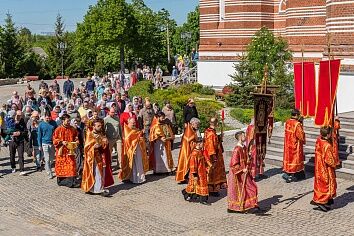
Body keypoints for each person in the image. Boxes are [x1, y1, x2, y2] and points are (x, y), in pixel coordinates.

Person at [227, 131, 259, 213]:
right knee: (249, 188)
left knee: (251, 187)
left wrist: (249, 156)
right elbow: (233, 164)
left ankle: (250, 205)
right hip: (239, 174)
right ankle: (244, 206)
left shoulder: (244, 147)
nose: (245, 136)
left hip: (245, 172)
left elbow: (246, 159)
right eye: (244, 135)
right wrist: (242, 169)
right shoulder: (237, 149)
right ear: (240, 137)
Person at [81, 119, 114, 196]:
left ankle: (99, 188)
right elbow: (86, 147)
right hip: (93, 157)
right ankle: (93, 189)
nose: (100, 127)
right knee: (95, 172)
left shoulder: (101, 134)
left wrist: (105, 142)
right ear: (94, 126)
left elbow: (104, 144)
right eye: (98, 126)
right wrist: (94, 147)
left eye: (101, 126)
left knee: (100, 173)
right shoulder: (90, 135)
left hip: (101, 156)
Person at [311, 126, 337, 212]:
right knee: (326, 184)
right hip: (326, 168)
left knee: (320, 184)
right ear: (328, 134)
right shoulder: (327, 145)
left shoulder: (319, 140)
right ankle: (322, 201)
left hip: (319, 166)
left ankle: (325, 201)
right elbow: (329, 160)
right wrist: (335, 164)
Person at [53, 114, 80, 187]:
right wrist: (61, 142)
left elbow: (76, 136)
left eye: (69, 121)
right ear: (63, 120)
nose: (69, 122)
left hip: (70, 152)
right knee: (62, 167)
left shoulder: (72, 129)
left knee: (71, 166)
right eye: (67, 121)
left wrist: (77, 141)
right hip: (61, 152)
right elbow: (54, 140)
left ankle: (71, 181)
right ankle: (61, 181)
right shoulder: (58, 129)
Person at [119, 118, 149, 184]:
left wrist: (141, 137)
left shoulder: (136, 129)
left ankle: (139, 178)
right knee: (132, 164)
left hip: (138, 149)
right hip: (130, 150)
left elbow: (139, 137)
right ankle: (132, 178)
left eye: (134, 122)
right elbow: (127, 141)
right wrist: (132, 148)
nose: (134, 124)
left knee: (138, 163)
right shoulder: (126, 131)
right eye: (132, 123)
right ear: (128, 122)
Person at [182, 138, 210, 205]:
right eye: (203, 143)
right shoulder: (194, 153)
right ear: (199, 143)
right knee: (197, 185)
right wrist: (195, 175)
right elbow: (192, 165)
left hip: (202, 172)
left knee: (198, 185)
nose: (203, 145)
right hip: (197, 173)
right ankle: (203, 200)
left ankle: (197, 197)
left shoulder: (200, 151)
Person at [204, 117, 227, 196]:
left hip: (215, 155)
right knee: (213, 173)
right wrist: (214, 158)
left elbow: (215, 141)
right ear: (216, 124)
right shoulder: (211, 134)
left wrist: (219, 137)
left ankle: (213, 188)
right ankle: (212, 190)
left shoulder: (208, 131)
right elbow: (211, 147)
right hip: (213, 156)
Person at [282, 109, 306, 183]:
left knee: (289, 159)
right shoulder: (297, 124)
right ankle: (296, 175)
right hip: (295, 145)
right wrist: (301, 124)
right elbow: (301, 136)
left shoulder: (287, 122)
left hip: (288, 144)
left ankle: (287, 173)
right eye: (298, 115)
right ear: (296, 115)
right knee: (296, 160)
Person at [175, 118, 200, 183]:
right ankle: (185, 177)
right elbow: (190, 142)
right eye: (197, 124)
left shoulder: (192, 129)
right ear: (192, 124)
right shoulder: (189, 131)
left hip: (188, 150)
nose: (198, 126)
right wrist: (197, 144)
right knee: (187, 163)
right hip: (187, 151)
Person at [38, 112, 57, 179]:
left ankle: (47, 167)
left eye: (49, 117)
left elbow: (56, 132)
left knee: (52, 159)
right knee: (47, 159)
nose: (48, 119)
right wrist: (39, 145)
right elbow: (39, 135)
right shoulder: (41, 124)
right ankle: (49, 173)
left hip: (52, 143)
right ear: (44, 117)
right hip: (44, 143)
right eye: (47, 117)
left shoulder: (54, 123)